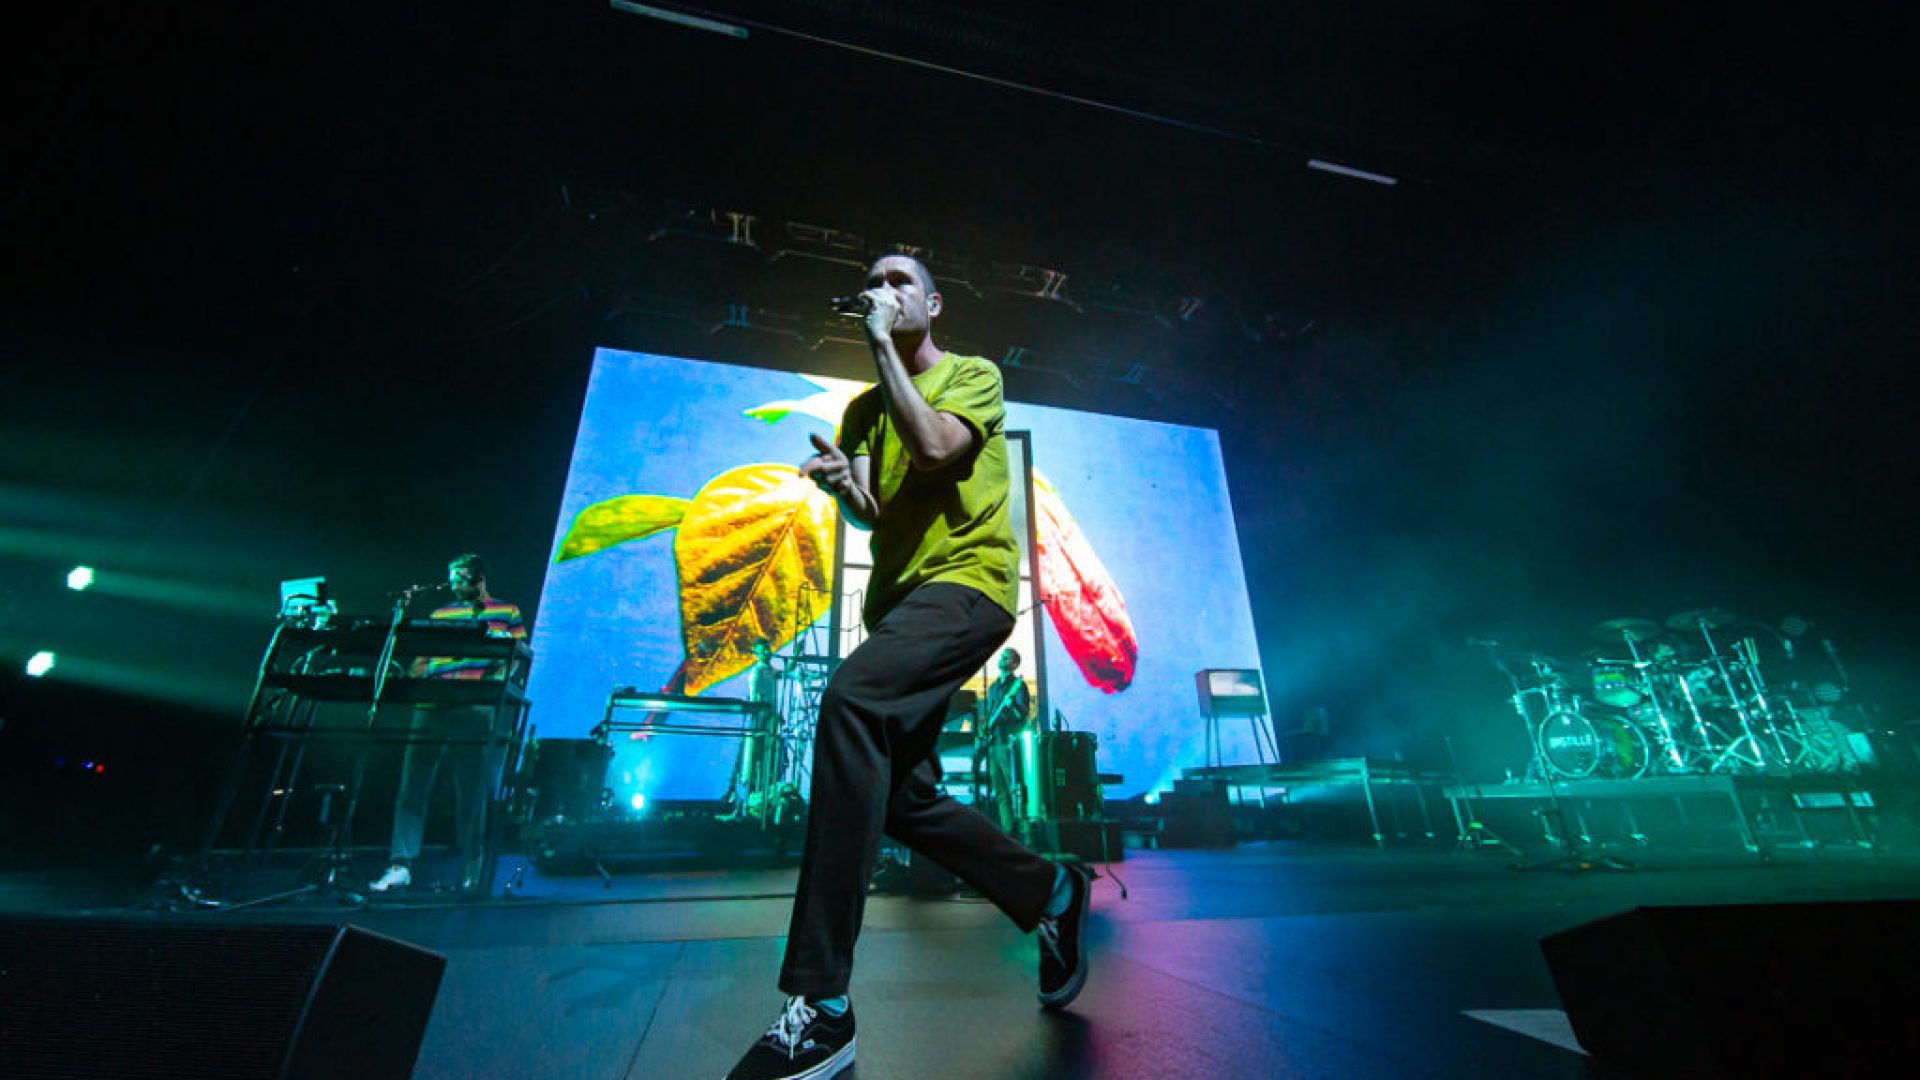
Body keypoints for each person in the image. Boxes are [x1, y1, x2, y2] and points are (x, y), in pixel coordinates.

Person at [722, 256, 1092, 1080]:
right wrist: (844, 487)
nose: (884, 288)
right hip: (902, 603)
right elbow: (880, 511)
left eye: (901, 279)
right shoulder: (863, 410)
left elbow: (933, 449)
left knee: (850, 702)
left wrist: (882, 346)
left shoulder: (972, 375)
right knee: (903, 800)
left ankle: (821, 1006)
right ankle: (1051, 894)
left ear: (930, 302)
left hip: (967, 587)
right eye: (873, 279)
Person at [369, 552, 526, 894]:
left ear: (479, 578)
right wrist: (417, 677)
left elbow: (516, 658)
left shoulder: (507, 611)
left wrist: (487, 687)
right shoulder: (441, 613)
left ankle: (471, 867)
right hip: (432, 704)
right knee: (413, 787)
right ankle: (401, 864)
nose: (453, 583)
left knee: (471, 791)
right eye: (452, 577)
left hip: (473, 708)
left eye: (460, 577)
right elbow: (421, 658)